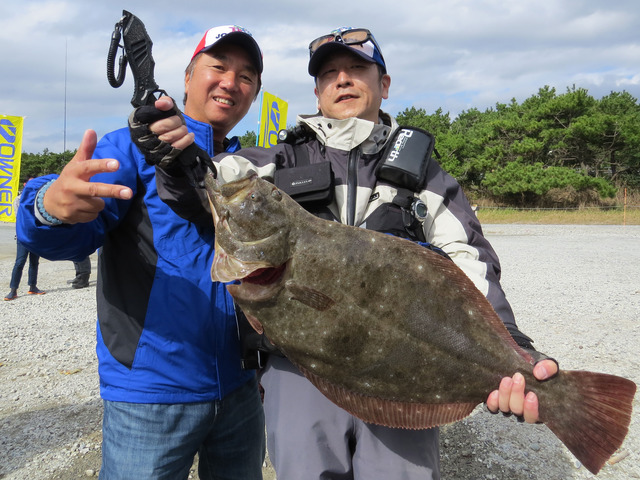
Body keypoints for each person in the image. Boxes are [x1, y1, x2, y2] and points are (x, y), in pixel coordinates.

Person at [137, 27, 559, 480]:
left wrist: (512, 349)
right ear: (317, 91)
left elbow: (467, 258)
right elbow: (207, 184)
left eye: (357, 69)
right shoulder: (274, 161)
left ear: (384, 84)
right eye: (329, 73)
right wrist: (173, 157)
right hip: (300, 367)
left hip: (401, 371)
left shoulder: (428, 176)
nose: (342, 80)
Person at [16, 25, 265, 480]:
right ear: (187, 77)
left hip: (242, 388)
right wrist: (48, 207)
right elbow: (67, 235)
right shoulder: (132, 147)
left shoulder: (251, 168)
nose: (231, 82)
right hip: (149, 394)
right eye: (218, 66)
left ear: (254, 94)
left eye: (246, 76)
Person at [5, 183, 45, 301]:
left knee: (34, 262)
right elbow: (20, 217)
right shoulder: (18, 200)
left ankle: (33, 286)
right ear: (25, 185)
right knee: (20, 262)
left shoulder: (39, 199)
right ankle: (13, 290)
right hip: (23, 235)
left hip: (36, 236)